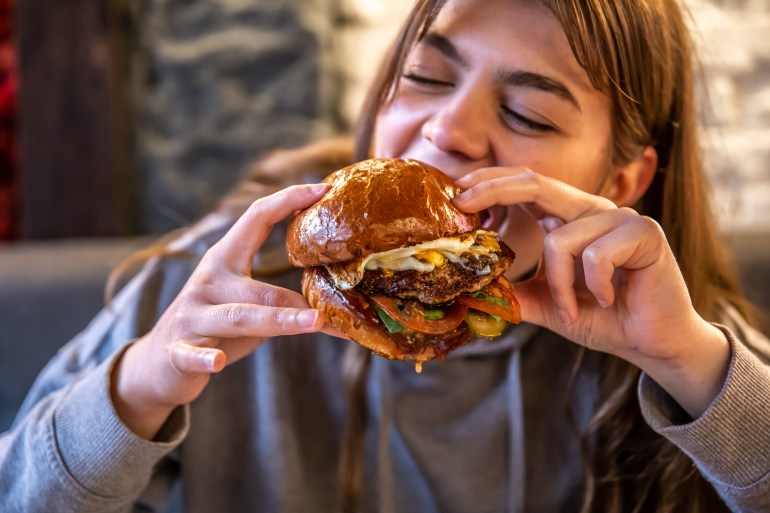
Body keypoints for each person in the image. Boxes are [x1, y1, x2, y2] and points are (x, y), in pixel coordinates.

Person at [2, 0, 769, 511]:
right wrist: (140, 387)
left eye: (527, 112)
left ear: (622, 180)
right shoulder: (212, 293)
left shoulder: (683, 340)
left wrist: (689, 365)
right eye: (426, 78)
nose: (446, 129)